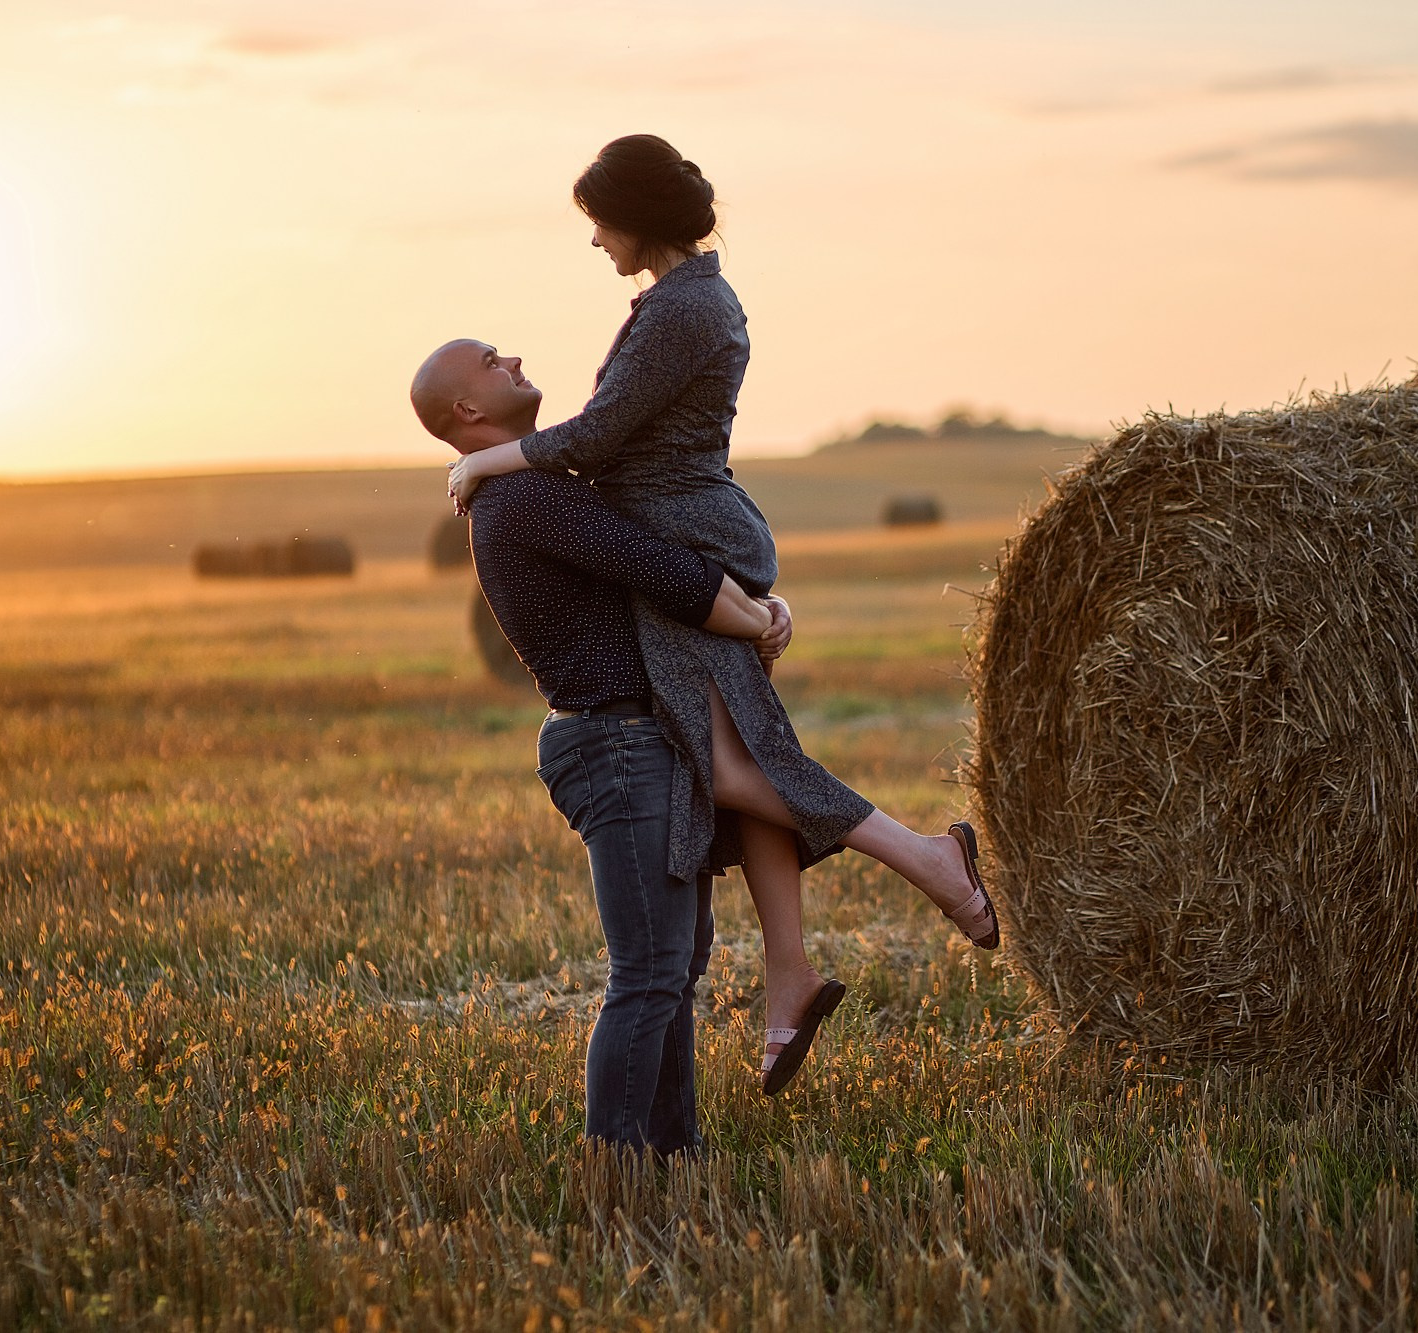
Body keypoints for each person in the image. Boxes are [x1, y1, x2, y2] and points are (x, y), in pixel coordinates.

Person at [440, 135, 997, 1092]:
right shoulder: (686, 299)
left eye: (599, 222)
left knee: (739, 765)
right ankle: (789, 975)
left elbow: (605, 434)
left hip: (688, 538)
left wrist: (488, 459)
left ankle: (929, 860)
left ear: (636, 214)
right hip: (695, 534)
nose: (596, 241)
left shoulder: (683, 306)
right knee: (741, 752)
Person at [411, 338, 783, 1155]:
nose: (510, 356)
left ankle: (674, 1157)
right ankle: (616, 1171)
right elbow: (667, 572)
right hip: (615, 745)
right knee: (650, 972)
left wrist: (761, 607)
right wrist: (759, 617)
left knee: (673, 971)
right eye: (488, 358)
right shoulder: (525, 500)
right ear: (468, 411)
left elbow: (669, 569)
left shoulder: (530, 487)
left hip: (639, 739)